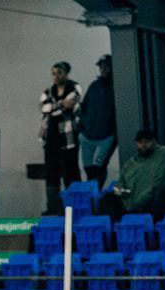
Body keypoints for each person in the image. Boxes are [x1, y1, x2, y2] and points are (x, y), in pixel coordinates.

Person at [98, 129, 165, 221]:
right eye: (140, 142)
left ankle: (154, 226)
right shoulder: (130, 163)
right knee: (107, 198)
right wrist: (121, 191)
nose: (143, 145)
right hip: (132, 202)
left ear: (154, 141)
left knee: (160, 194)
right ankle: (111, 227)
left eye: (147, 142)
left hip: (157, 199)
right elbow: (120, 184)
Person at [40, 61, 82, 214]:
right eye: (53, 74)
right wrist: (61, 104)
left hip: (68, 136)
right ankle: (53, 207)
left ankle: (74, 206)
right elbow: (44, 108)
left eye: (59, 73)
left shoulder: (74, 87)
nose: (56, 77)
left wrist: (54, 107)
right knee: (51, 172)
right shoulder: (48, 91)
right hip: (50, 136)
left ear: (66, 74)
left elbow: (71, 105)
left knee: (70, 170)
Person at [78, 55, 118, 184]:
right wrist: (82, 126)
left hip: (106, 137)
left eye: (107, 66)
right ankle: (92, 193)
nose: (103, 70)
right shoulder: (94, 86)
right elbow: (84, 107)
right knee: (88, 168)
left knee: (99, 167)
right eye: (101, 67)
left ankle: (96, 193)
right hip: (87, 136)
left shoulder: (118, 87)